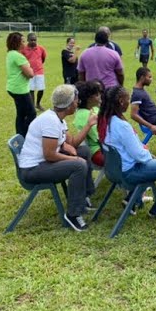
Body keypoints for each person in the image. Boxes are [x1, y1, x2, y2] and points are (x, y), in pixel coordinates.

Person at [18, 84, 97, 231]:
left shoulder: (58, 118)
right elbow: (49, 154)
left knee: (84, 151)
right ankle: (73, 214)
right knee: (78, 165)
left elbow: (72, 143)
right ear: (68, 104)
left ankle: (83, 199)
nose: (78, 102)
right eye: (76, 100)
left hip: (43, 162)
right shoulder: (50, 122)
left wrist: (88, 125)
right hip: (33, 169)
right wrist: (73, 159)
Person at [98, 85, 156, 219]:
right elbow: (139, 155)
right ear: (121, 101)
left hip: (115, 171)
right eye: (128, 99)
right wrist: (149, 155)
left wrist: (144, 153)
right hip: (130, 172)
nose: (129, 103)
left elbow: (124, 149)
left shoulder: (105, 120)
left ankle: (132, 199)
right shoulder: (121, 125)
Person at [6, 32, 36, 137]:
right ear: (17, 43)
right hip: (20, 90)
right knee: (32, 113)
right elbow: (31, 74)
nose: (25, 43)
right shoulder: (18, 56)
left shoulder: (10, 54)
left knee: (21, 114)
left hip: (12, 87)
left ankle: (20, 135)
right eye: (23, 41)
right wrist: (29, 70)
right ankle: (25, 135)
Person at [73, 80, 104, 167]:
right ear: (90, 98)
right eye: (97, 95)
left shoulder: (94, 109)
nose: (100, 96)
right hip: (97, 151)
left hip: (103, 147)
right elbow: (98, 137)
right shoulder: (84, 115)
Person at [21, 32, 47, 112]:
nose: (33, 42)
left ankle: (38, 104)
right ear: (28, 40)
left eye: (35, 40)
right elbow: (22, 60)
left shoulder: (41, 48)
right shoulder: (23, 49)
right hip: (29, 72)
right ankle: (32, 106)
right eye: (31, 40)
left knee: (41, 89)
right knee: (31, 89)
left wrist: (38, 65)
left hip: (39, 71)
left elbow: (43, 58)